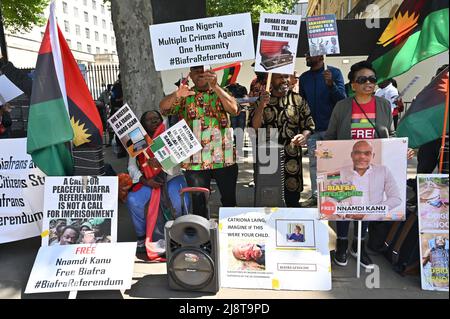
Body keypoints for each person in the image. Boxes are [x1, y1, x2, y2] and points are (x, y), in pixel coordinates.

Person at [325, 61, 415, 269]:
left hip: (373, 165)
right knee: (344, 205)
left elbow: (390, 135)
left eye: (372, 79)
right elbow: (330, 137)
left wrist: (401, 149)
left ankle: (359, 246)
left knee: (367, 204)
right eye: (362, 79)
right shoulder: (342, 106)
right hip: (346, 165)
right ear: (352, 85)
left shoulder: (383, 105)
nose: (368, 83)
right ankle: (341, 244)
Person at [160, 66, 239, 219]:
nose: (201, 74)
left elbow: (234, 110)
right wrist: (177, 93)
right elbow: (163, 107)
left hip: (223, 156)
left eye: (204, 70)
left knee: (229, 200)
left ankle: (230, 237)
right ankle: (203, 241)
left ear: (211, 72)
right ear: (191, 74)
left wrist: (215, 86)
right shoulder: (185, 95)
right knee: (198, 203)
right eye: (196, 71)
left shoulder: (220, 92)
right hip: (195, 160)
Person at [126, 110, 189, 252]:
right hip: (148, 180)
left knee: (178, 200)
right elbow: (131, 167)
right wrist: (145, 180)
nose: (154, 121)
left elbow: (179, 164)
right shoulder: (137, 139)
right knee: (133, 200)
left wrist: (161, 163)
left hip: (172, 177)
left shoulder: (170, 137)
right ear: (143, 125)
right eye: (149, 119)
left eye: (156, 118)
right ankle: (142, 237)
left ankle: (177, 235)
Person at [251, 73, 315, 207]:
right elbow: (254, 128)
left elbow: (309, 125)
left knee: (292, 200)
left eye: (286, 76)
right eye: (279, 77)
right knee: (268, 199)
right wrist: (261, 106)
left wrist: (304, 136)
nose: (284, 80)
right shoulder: (260, 101)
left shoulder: (298, 100)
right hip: (268, 157)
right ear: (271, 80)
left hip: (292, 157)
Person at [299, 54, 346, 207]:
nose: (306, 57)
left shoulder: (334, 72)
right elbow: (302, 103)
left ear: (320, 56)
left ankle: (333, 196)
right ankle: (316, 195)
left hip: (331, 129)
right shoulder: (304, 77)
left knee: (332, 164)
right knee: (314, 164)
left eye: (309, 55)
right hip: (313, 130)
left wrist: (331, 85)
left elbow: (342, 101)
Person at [333, 140, 402, 212]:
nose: (362, 156)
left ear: (373, 156)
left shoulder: (383, 171)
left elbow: (396, 198)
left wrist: (372, 212)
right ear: (352, 155)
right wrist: (345, 213)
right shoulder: (340, 172)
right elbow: (330, 197)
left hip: (372, 218)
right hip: (345, 215)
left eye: (367, 153)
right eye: (357, 153)